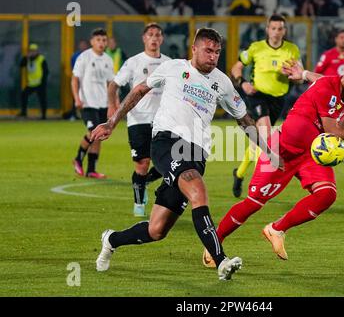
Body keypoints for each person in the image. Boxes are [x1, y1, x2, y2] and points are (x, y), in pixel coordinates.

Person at [91, 28, 282, 280]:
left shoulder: (222, 82)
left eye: (217, 52)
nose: (213, 56)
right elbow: (138, 90)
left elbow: (243, 118)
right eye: (208, 50)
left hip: (196, 153)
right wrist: (112, 122)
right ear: (194, 48)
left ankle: (112, 239)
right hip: (166, 142)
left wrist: (267, 151)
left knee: (157, 230)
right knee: (198, 192)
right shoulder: (173, 68)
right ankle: (221, 261)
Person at [202, 55, 344, 267]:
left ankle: (276, 229)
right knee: (253, 203)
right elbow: (333, 130)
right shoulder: (329, 88)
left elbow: (320, 78)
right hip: (281, 151)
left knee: (326, 194)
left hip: (310, 154)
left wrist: (304, 74)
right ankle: (213, 242)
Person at [231, 14, 301, 198]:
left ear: (284, 31)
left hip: (278, 99)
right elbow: (236, 67)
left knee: (258, 141)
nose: (277, 32)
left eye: (280, 29)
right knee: (266, 132)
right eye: (273, 28)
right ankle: (258, 186)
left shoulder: (292, 50)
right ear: (267, 29)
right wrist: (243, 82)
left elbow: (299, 75)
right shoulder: (256, 48)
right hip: (257, 95)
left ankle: (239, 174)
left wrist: (291, 74)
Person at [107, 23, 169, 217]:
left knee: (169, 162)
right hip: (138, 119)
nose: (154, 38)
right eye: (150, 35)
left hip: (163, 120)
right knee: (142, 163)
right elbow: (114, 85)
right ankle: (139, 203)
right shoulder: (134, 62)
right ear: (144, 38)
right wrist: (112, 105)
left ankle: (146, 180)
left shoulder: (169, 63)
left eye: (158, 35)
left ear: (162, 39)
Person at [71, 28, 114, 179]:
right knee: (92, 133)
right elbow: (75, 79)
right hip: (87, 103)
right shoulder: (84, 57)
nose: (101, 43)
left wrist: (113, 104)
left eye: (104, 40)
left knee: (99, 134)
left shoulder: (108, 60)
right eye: (98, 40)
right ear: (92, 42)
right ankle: (77, 159)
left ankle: (91, 170)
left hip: (102, 103)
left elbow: (110, 84)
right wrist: (77, 98)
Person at [18, 43, 48, 119]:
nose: (32, 52)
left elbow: (46, 71)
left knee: (42, 99)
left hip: (40, 83)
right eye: (31, 51)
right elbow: (21, 65)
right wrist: (25, 57)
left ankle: (44, 116)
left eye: (34, 51)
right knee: (24, 94)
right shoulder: (27, 59)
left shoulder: (41, 59)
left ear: (37, 51)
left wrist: (43, 82)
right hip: (31, 83)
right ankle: (24, 112)